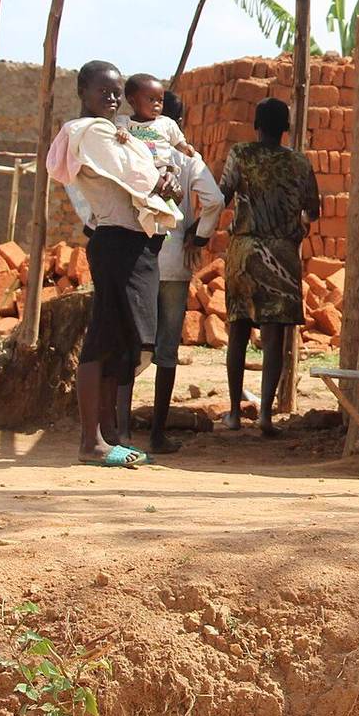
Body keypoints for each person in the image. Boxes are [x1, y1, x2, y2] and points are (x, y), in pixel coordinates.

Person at [45, 60, 181, 467]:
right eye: (102, 90)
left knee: (122, 344)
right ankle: (92, 440)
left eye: (116, 91)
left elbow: (148, 169)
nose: (110, 97)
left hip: (135, 244)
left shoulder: (113, 131)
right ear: (82, 92)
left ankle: (107, 435)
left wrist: (163, 176)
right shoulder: (91, 133)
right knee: (103, 340)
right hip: (117, 243)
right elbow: (135, 174)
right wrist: (162, 180)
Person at [220, 97, 319, 435]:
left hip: (244, 251)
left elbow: (222, 194)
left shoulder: (240, 154)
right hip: (282, 255)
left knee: (238, 329)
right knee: (275, 337)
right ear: (286, 129)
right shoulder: (300, 163)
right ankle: (264, 415)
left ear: (256, 126)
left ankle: (233, 412)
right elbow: (313, 210)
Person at [146, 89, 223, 454]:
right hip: (175, 260)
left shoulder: (132, 148)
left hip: (138, 259)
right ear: (180, 123)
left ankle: (117, 428)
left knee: (132, 342)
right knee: (166, 350)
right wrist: (199, 236)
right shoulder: (187, 156)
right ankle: (157, 434)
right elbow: (216, 201)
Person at [118, 72, 196, 161]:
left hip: (163, 169)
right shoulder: (125, 121)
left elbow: (178, 143)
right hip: (136, 168)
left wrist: (186, 148)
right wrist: (122, 132)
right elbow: (120, 129)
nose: (157, 105)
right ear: (132, 101)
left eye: (160, 100)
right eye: (151, 100)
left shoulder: (167, 123)